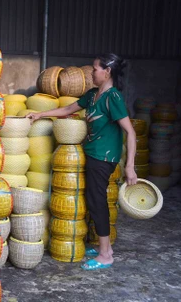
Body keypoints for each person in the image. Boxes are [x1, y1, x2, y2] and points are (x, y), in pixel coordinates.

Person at [27, 53, 138, 270]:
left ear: (107, 72)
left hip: (104, 157)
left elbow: (131, 132)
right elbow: (68, 109)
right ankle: (104, 248)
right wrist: (40, 115)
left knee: (97, 202)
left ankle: (106, 254)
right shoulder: (93, 94)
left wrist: (130, 166)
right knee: (93, 200)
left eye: (95, 69)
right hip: (92, 154)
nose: (91, 73)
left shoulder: (112, 98)